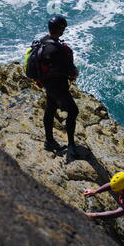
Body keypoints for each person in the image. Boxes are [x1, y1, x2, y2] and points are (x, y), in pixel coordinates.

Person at [39, 15, 80, 158]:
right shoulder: (58, 50)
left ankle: (49, 141)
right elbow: (69, 71)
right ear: (61, 30)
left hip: (47, 83)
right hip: (58, 86)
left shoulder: (42, 41)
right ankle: (71, 145)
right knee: (73, 111)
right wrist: (73, 73)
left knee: (50, 108)